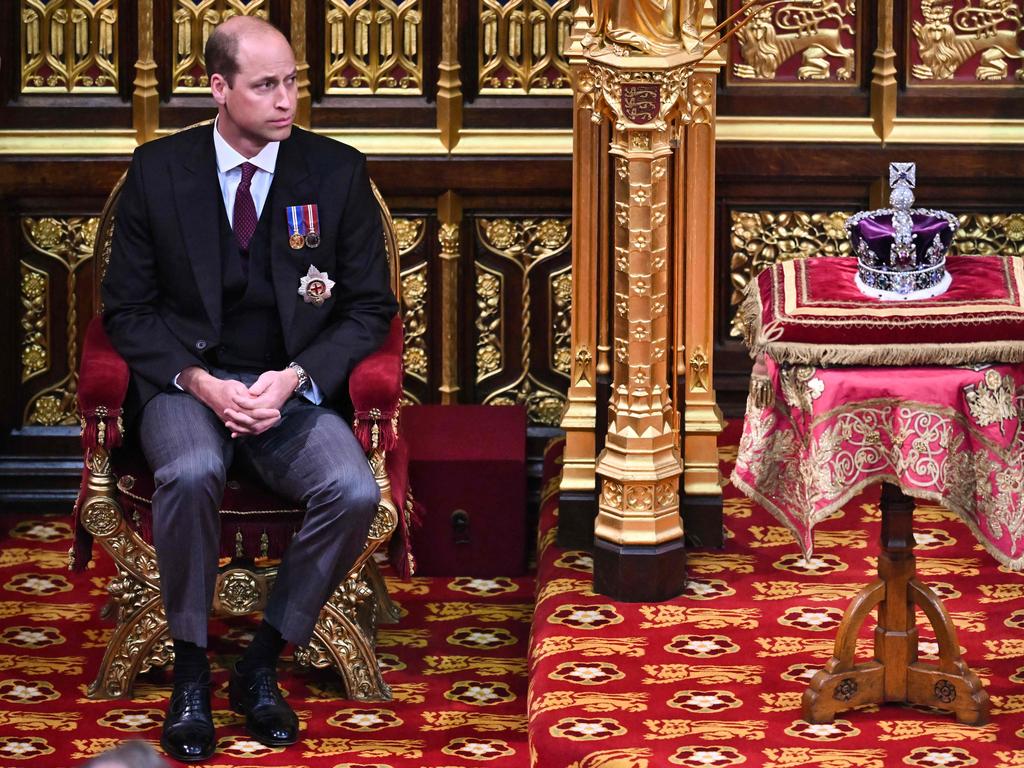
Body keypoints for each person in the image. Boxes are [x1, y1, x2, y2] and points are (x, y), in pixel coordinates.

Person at [101, 15, 398, 763]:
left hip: (286, 387)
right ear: (219, 88)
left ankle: (262, 662)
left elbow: (370, 309)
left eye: (292, 81)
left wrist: (295, 379)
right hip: (185, 386)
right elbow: (126, 312)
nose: (285, 99)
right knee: (193, 469)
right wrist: (199, 383)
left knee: (354, 491)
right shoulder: (159, 172)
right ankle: (193, 673)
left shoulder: (335, 172)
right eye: (266, 84)